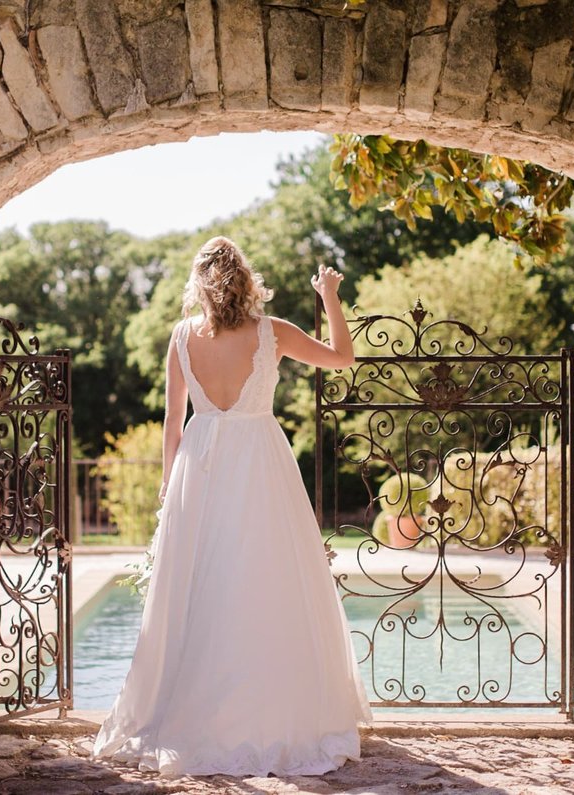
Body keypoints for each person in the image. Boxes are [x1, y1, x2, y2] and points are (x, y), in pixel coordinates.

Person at [91, 236, 372, 777]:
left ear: (198, 284)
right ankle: (269, 710)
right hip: (261, 462)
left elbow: (173, 424)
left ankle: (200, 710)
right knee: (267, 582)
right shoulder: (273, 332)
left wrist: (168, 489)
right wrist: (330, 295)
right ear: (245, 279)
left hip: (199, 466)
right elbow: (342, 358)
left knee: (201, 584)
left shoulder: (181, 337)